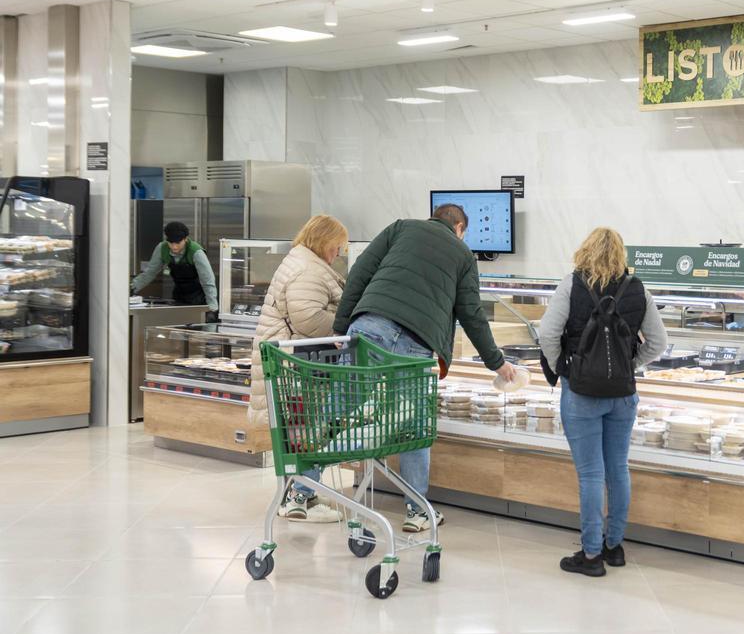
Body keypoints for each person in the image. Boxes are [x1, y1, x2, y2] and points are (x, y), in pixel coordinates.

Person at [334, 203, 517, 533]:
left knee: (337, 409)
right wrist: (497, 363)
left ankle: (301, 493)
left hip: (368, 326)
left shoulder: (400, 227)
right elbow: (472, 314)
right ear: (460, 227)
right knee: (413, 422)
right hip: (415, 342)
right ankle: (416, 511)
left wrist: (340, 327)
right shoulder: (462, 254)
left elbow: (359, 272)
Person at [538, 227, 668, 577]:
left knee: (591, 474)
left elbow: (547, 334)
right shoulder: (638, 288)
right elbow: (659, 342)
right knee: (618, 469)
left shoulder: (572, 284)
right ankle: (614, 547)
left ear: (585, 251)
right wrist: (630, 363)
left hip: (582, 393)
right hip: (623, 395)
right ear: (622, 254)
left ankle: (591, 555)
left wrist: (563, 368)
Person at [248, 215, 350, 523]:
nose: (339, 253)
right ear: (324, 241)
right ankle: (298, 497)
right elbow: (307, 318)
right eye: (337, 246)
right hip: (296, 364)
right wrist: (345, 329)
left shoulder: (303, 262)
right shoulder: (307, 269)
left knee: (302, 429)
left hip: (291, 361)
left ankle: (302, 491)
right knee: (308, 429)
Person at [130, 221, 218, 316]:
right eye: (171, 243)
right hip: (178, 296)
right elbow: (149, 273)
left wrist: (212, 308)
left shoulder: (196, 252)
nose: (174, 246)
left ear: (185, 239)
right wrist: (131, 288)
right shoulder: (162, 248)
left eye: (178, 243)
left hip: (199, 298)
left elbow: (208, 280)